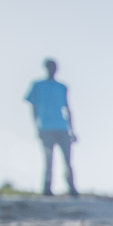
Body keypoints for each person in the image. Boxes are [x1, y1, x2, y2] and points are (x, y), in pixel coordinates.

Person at [25, 58, 78, 196]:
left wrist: (72, 130)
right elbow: (33, 107)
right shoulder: (37, 85)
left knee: (68, 159)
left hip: (62, 127)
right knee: (48, 159)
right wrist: (37, 127)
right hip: (46, 128)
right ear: (46, 68)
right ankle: (47, 188)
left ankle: (71, 187)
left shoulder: (62, 87)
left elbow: (67, 108)